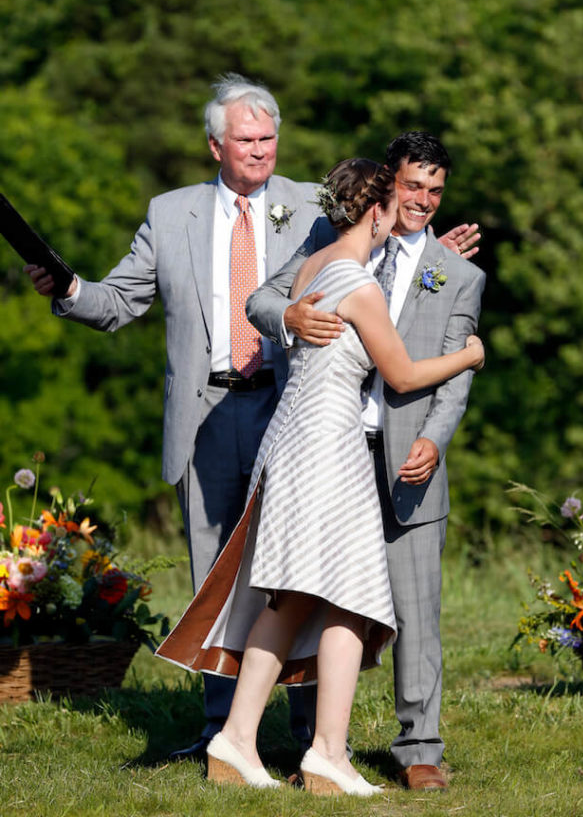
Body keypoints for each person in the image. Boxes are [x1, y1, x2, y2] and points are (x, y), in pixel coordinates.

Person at [156, 158, 484, 795]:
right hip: (330, 447)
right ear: (374, 212)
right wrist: (470, 353)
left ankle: (239, 739)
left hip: (293, 433)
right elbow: (404, 375)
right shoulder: (356, 283)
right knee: (352, 595)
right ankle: (326, 754)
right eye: (396, 202)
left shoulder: (317, 264)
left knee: (294, 593)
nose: (407, 211)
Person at [23, 72, 324, 760]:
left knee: (303, 569)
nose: (260, 150)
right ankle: (221, 731)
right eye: (245, 139)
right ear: (214, 145)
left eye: (268, 137)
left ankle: (313, 735)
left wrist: (431, 259)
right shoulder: (171, 213)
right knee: (215, 574)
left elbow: (367, 260)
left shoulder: (313, 205)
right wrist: (67, 287)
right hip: (206, 412)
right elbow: (118, 302)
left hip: (295, 410)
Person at [247, 131, 486, 791]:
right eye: (412, 186)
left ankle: (419, 749)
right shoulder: (340, 238)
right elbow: (262, 298)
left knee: (412, 608)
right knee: (313, 592)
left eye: (436, 191)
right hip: (328, 448)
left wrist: (434, 439)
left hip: (405, 457)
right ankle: (315, 743)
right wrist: (292, 315)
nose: (424, 201)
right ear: (388, 184)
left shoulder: (444, 268)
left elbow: (450, 366)